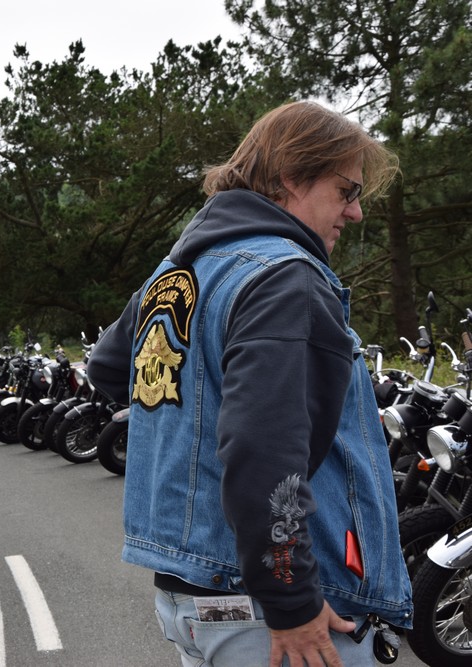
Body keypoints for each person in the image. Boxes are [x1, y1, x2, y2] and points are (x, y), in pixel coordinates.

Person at [88, 101, 412, 666]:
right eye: (348, 191)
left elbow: (112, 369)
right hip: (266, 613)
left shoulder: (178, 271)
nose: (356, 213)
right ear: (292, 176)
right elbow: (266, 454)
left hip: (191, 596)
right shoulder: (286, 279)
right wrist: (290, 600)